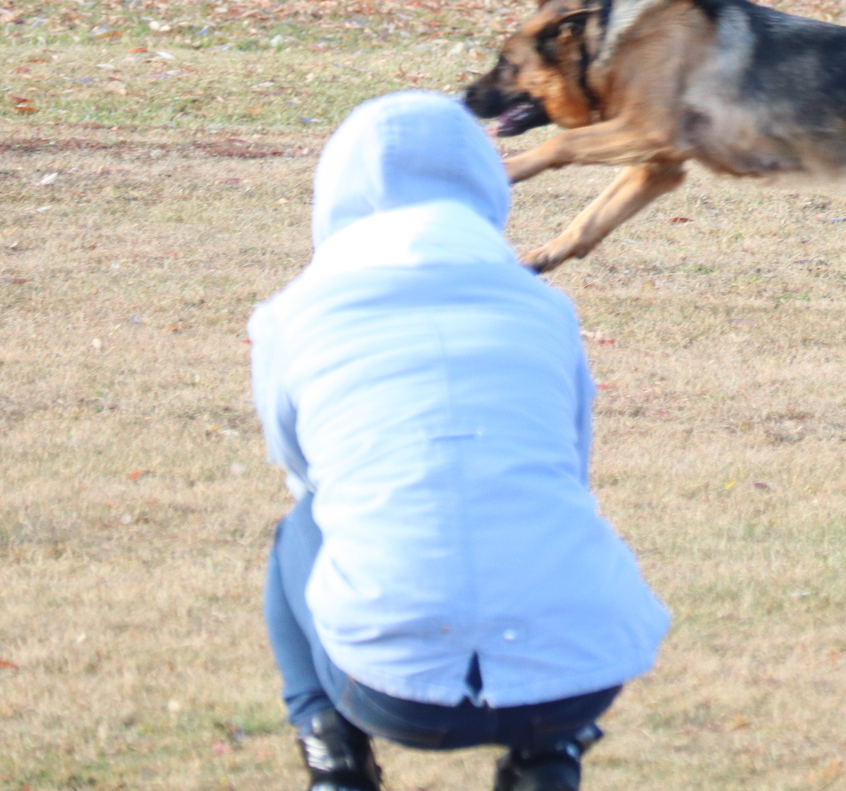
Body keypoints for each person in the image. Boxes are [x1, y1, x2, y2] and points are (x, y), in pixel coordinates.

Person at [250, 91, 670, 790]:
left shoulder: (293, 316)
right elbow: (571, 462)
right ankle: (550, 756)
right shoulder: (541, 306)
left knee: (304, 523)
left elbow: (303, 470)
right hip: (577, 677)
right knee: (546, 507)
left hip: (389, 690)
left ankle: (334, 756)